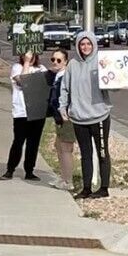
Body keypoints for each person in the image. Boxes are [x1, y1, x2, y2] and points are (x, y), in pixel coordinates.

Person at [59, 31, 114, 199]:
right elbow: (65, 88)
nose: (85, 47)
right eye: (82, 44)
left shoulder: (101, 62)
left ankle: (104, 188)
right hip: (79, 117)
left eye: (88, 44)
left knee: (102, 152)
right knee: (85, 154)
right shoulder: (72, 65)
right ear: (78, 46)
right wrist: (63, 107)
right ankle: (87, 187)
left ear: (93, 45)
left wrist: (120, 82)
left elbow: (113, 82)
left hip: (99, 116)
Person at [1, 50, 47, 181]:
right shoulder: (17, 68)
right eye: (27, 55)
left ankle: (29, 170)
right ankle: (10, 169)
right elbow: (23, 82)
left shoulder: (41, 68)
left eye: (32, 55)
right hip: (21, 112)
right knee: (18, 141)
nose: (30, 57)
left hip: (37, 111)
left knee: (33, 143)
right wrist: (26, 62)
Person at [47, 49, 75, 190]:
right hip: (59, 117)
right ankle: (63, 177)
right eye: (53, 59)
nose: (55, 63)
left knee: (66, 148)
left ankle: (68, 181)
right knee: (59, 146)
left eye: (59, 60)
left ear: (65, 61)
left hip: (67, 117)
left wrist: (66, 113)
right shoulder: (58, 76)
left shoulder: (66, 77)